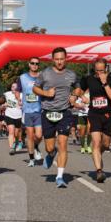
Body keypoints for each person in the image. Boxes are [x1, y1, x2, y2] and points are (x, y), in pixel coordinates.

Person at [33, 47, 81, 188]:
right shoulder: (45, 73)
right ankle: (50, 154)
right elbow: (35, 88)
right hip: (47, 112)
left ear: (66, 59)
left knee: (63, 144)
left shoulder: (71, 74)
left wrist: (74, 95)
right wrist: (46, 93)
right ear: (52, 59)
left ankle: (59, 177)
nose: (59, 62)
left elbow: (78, 87)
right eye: (57, 59)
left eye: (62, 59)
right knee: (49, 147)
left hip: (64, 112)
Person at [81, 59, 111, 180]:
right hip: (94, 114)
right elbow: (78, 90)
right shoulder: (89, 79)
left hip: (108, 115)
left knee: (106, 144)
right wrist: (82, 97)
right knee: (96, 143)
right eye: (96, 71)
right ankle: (99, 171)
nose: (99, 73)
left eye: (101, 71)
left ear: (106, 69)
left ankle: (97, 154)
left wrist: (105, 83)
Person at [19, 59, 44, 166]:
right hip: (27, 110)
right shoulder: (22, 77)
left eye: (37, 64)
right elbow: (17, 90)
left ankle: (36, 146)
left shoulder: (42, 77)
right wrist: (18, 98)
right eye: (32, 63)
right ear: (29, 64)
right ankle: (31, 159)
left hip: (39, 109)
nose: (34, 65)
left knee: (38, 135)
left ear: (38, 65)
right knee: (30, 135)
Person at [4, 82, 23, 155]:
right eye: (12, 87)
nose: (14, 88)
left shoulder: (21, 95)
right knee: (11, 131)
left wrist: (22, 104)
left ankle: (17, 141)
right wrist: (3, 104)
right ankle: (11, 148)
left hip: (18, 116)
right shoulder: (7, 94)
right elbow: (0, 98)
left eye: (16, 87)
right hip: (9, 115)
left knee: (16, 133)